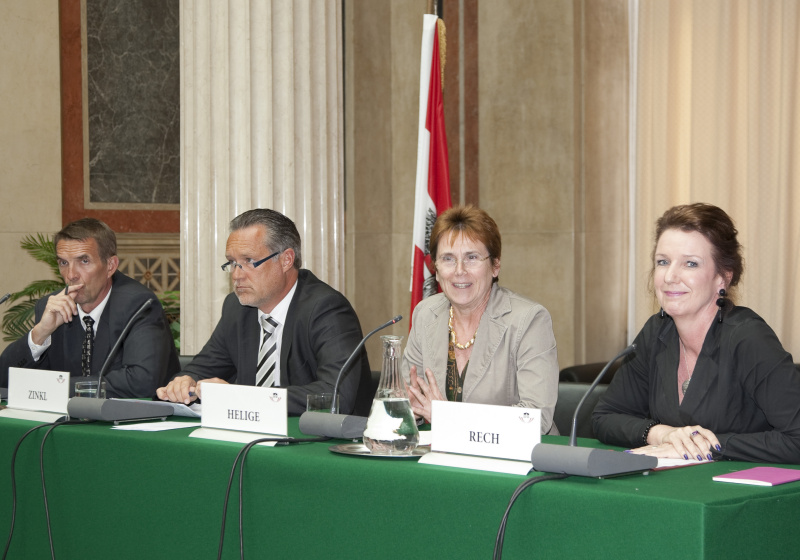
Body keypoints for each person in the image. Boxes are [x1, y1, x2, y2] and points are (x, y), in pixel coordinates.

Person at [592, 203, 800, 464]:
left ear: (722, 277)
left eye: (690, 264)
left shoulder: (748, 338)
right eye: (662, 262)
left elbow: (796, 439)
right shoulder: (657, 332)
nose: (670, 276)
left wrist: (706, 446)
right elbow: (604, 418)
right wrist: (662, 434)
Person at [156, 209, 372, 416]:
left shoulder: (326, 309)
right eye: (232, 263)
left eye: (249, 261)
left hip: (325, 443)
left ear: (286, 259)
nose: (236, 275)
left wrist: (243, 396)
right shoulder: (237, 308)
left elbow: (336, 395)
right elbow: (202, 367)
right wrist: (186, 381)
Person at [403, 205, 559, 434]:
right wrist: (408, 409)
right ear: (435, 269)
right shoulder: (425, 314)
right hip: (443, 459)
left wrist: (449, 418)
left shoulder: (529, 321)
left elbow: (536, 419)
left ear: (495, 265)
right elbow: (403, 399)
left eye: (472, 258)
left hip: (517, 463)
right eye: (448, 259)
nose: (459, 271)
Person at [0, 218, 180, 398]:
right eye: (64, 263)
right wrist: (40, 333)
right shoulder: (52, 308)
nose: (71, 275)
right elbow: (5, 381)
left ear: (110, 266)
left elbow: (141, 382)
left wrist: (55, 387)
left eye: (84, 261)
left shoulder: (139, 305)